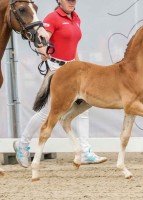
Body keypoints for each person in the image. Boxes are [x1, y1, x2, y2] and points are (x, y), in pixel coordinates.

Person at [13, 0, 107, 168]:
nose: (72, 3)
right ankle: (22, 144)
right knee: (46, 112)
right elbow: (42, 38)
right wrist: (42, 49)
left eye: (74, 0)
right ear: (59, 1)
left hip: (73, 69)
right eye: (68, 0)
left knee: (84, 108)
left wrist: (79, 65)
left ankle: (85, 152)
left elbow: (73, 45)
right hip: (57, 69)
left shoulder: (76, 18)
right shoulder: (53, 18)